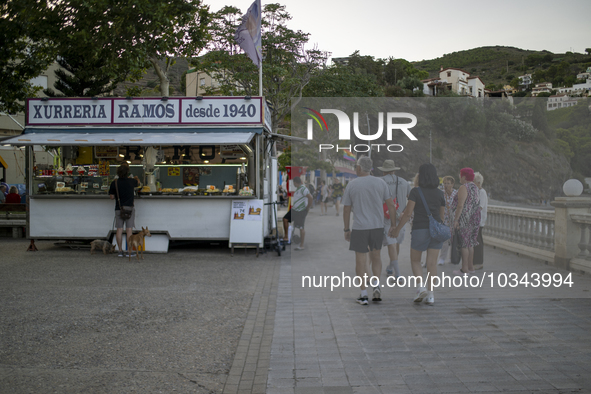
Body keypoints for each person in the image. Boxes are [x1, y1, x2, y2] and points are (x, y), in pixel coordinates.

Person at [342, 156, 397, 305]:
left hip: (360, 228)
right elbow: (391, 206)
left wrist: (346, 228)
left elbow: (346, 209)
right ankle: (377, 286)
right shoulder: (381, 183)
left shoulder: (352, 185)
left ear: (359, 168)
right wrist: (393, 225)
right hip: (377, 227)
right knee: (376, 256)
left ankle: (363, 294)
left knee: (360, 260)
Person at [390, 163, 445, 305]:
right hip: (436, 230)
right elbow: (442, 216)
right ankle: (431, 295)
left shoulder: (416, 192)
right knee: (432, 263)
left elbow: (408, 213)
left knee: (415, 260)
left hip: (420, 229)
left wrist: (397, 229)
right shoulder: (440, 194)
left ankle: (421, 288)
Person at [377, 159, 410, 280]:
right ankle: (391, 267)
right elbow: (411, 199)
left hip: (386, 217)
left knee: (391, 243)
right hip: (401, 217)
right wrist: (405, 212)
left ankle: (397, 273)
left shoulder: (380, 182)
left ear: (384, 171)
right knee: (396, 243)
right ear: (394, 170)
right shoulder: (404, 182)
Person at [451, 168, 481, 276]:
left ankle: (464, 269)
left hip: (465, 218)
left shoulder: (464, 187)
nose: (459, 177)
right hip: (475, 217)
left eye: (460, 175)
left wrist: (456, 220)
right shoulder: (475, 187)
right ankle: (470, 267)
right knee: (470, 243)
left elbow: (460, 205)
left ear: (464, 176)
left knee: (464, 244)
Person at [109, 163, 141, 257]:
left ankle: (120, 251)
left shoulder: (114, 183)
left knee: (119, 230)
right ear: (128, 172)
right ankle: (129, 251)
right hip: (129, 209)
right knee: (129, 230)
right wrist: (136, 177)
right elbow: (138, 182)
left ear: (118, 173)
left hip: (119, 208)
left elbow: (111, 197)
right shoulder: (132, 181)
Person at [437, 176, 457, 265]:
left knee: (453, 240)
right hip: (444, 220)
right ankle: (442, 258)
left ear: (452, 184)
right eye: (444, 183)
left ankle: (452, 258)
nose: (446, 185)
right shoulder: (441, 193)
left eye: (448, 183)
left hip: (453, 220)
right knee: (444, 240)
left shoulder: (456, 193)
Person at [290, 177, 313, 250]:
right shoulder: (298, 188)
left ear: (295, 182)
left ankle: (302, 245)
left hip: (301, 211)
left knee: (301, 227)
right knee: (288, 220)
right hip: (295, 210)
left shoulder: (303, 188)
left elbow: (310, 197)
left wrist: (308, 207)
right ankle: (292, 238)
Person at [473, 172, 488, 270]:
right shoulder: (476, 192)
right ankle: (475, 261)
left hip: (479, 221)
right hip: (474, 221)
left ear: (478, 183)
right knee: (475, 241)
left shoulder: (482, 192)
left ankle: (479, 262)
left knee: (478, 241)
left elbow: (480, 207)